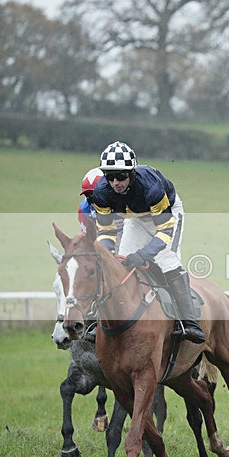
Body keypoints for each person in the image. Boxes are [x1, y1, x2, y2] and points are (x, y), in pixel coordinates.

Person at [89, 140, 205, 344]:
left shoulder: (150, 187)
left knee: (167, 260)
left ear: (132, 174)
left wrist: (143, 255)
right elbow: (106, 231)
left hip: (167, 216)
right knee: (120, 263)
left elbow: (165, 231)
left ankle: (189, 322)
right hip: (136, 217)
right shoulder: (101, 193)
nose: (116, 182)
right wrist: (107, 255)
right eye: (110, 177)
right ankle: (99, 322)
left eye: (121, 176)